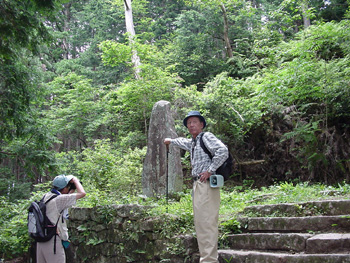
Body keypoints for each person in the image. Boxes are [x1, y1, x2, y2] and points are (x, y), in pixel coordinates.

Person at [164, 111, 228, 263]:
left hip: (206, 184)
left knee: (206, 222)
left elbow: (223, 151)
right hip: (199, 185)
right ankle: (207, 258)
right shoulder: (193, 142)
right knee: (201, 222)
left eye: (194, 122)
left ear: (201, 124)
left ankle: (209, 260)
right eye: (189, 123)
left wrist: (210, 170)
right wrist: (171, 141)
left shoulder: (206, 137)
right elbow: (182, 142)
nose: (191, 125)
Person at [36, 174, 86, 263]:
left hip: (41, 240)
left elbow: (63, 201)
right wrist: (75, 180)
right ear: (65, 188)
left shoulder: (46, 196)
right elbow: (82, 193)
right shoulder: (59, 200)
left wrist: (70, 189)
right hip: (53, 242)